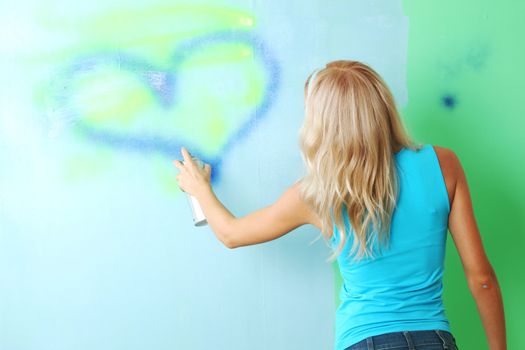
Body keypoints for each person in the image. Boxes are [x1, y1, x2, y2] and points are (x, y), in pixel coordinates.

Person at [173, 60, 506, 350]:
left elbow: (232, 234)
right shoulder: (443, 164)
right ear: (382, 107)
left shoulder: (316, 194)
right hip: (435, 340)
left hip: (363, 341)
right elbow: (482, 278)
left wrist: (200, 189)